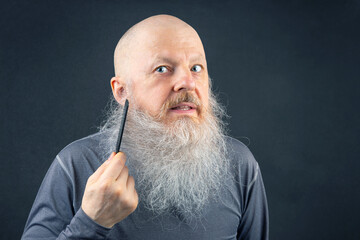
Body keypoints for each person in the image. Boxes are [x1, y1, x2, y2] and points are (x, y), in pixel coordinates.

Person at [22, 14, 269, 239]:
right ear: (121, 91)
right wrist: (91, 222)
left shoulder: (240, 165)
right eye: (162, 69)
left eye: (196, 68)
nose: (187, 82)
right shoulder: (75, 165)